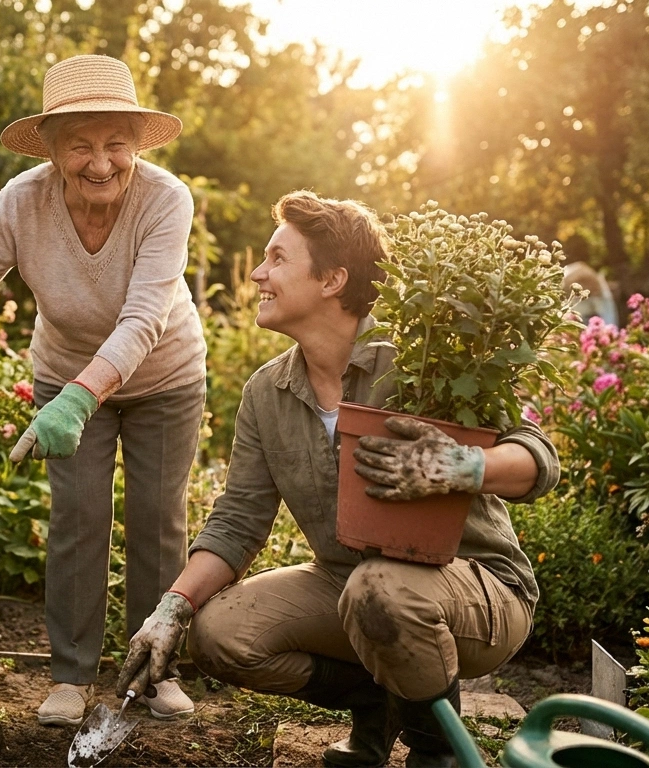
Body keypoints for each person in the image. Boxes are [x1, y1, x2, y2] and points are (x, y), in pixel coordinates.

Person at [117, 191, 558, 767]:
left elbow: (538, 458)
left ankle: (436, 750)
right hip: (349, 584)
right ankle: (380, 705)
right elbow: (239, 519)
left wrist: (465, 466)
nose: (257, 273)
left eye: (277, 259)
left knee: (384, 591)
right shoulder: (267, 393)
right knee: (220, 634)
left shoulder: (420, 361)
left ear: (332, 280)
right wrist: (173, 607)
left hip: (475, 587)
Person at [0, 54, 207, 726]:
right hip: (63, 371)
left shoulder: (166, 200)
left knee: (157, 519)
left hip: (164, 376)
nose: (101, 162)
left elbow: (144, 319)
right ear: (51, 148)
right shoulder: (23, 201)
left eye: (116, 144)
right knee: (77, 518)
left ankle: (153, 672)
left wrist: (85, 396)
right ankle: (72, 676)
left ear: (137, 143)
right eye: (80, 145)